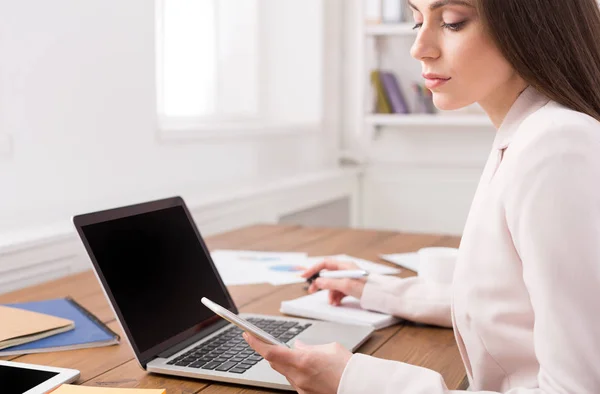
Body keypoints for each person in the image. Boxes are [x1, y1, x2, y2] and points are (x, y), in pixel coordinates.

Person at [243, 0, 600, 392]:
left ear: (531, 23)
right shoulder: (528, 134)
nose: (420, 47)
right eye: (417, 21)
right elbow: (513, 305)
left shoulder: (556, 145)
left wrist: (355, 381)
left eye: (452, 22)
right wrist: (373, 288)